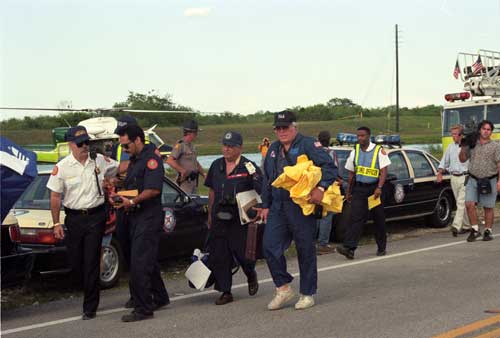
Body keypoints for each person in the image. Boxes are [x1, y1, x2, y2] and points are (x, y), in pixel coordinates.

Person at [257, 110, 337, 311]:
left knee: (305, 249)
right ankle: (283, 288)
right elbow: (268, 179)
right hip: (277, 205)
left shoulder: (308, 144)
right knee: (268, 246)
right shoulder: (273, 149)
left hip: (300, 205)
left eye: (286, 127)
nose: (282, 131)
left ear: (295, 127)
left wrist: (321, 188)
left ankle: (307, 293)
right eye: (278, 128)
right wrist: (265, 205)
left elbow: (330, 167)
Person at [47, 126, 119, 320]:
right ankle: (85, 287)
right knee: (76, 261)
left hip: (96, 216)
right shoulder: (62, 167)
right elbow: (55, 197)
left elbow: (118, 168)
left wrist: (111, 182)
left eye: (87, 142)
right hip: (75, 218)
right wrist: (56, 224)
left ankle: (90, 306)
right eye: (80, 144)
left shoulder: (99, 161)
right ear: (71, 145)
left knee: (91, 261)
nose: (85, 146)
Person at [112, 124, 169, 322]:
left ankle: (144, 308)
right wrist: (117, 186)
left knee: (140, 263)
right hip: (134, 215)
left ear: (137, 140)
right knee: (146, 260)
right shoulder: (135, 160)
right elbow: (135, 184)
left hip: (148, 215)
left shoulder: (151, 159)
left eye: (126, 146)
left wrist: (132, 201)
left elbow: (153, 189)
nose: (124, 150)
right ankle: (160, 296)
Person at [204, 131, 262, 305]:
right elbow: (212, 190)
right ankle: (225, 291)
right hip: (219, 216)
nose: (227, 149)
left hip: (240, 218)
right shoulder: (216, 165)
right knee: (220, 254)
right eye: (225, 145)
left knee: (243, 253)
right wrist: (210, 214)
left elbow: (260, 189)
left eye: (231, 146)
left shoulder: (249, 166)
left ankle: (250, 274)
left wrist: (258, 209)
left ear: (240, 148)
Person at [336, 126, 391, 260]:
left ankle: (381, 247)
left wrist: (379, 187)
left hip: (374, 189)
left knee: (378, 218)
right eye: (358, 136)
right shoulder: (355, 151)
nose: (360, 138)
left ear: (368, 136)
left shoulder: (378, 150)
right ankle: (349, 248)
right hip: (359, 189)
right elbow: (351, 173)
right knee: (355, 218)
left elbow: (384, 171)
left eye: (362, 136)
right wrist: (349, 191)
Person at [459, 120, 500, 242]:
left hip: (489, 179)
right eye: (484, 129)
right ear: (479, 130)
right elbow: (462, 159)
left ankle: (488, 231)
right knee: (469, 204)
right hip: (472, 178)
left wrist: (499, 181)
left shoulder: (496, 146)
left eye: (488, 129)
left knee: (488, 207)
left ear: (491, 132)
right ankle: (475, 229)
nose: (486, 131)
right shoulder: (473, 143)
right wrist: (464, 145)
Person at [437, 125, 471, 237]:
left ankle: (456, 225)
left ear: (461, 135)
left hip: (465, 177)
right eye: (452, 134)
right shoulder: (450, 147)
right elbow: (444, 162)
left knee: (461, 202)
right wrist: (440, 173)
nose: (453, 137)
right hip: (454, 178)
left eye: (455, 134)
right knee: (460, 203)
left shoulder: (467, 146)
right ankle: (467, 226)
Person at [166, 119, 206, 194]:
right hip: (184, 182)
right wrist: (183, 171)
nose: (197, 134)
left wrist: (203, 174)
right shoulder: (180, 145)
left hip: (193, 182)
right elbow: (170, 160)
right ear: (190, 133)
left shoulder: (191, 146)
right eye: (196, 132)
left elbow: (195, 162)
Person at [316, 131, 338, 254]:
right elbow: (334, 170)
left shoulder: (314, 152)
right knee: (327, 215)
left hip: (314, 187)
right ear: (329, 140)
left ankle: (312, 243)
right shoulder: (331, 153)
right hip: (328, 187)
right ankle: (322, 244)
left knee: (316, 214)